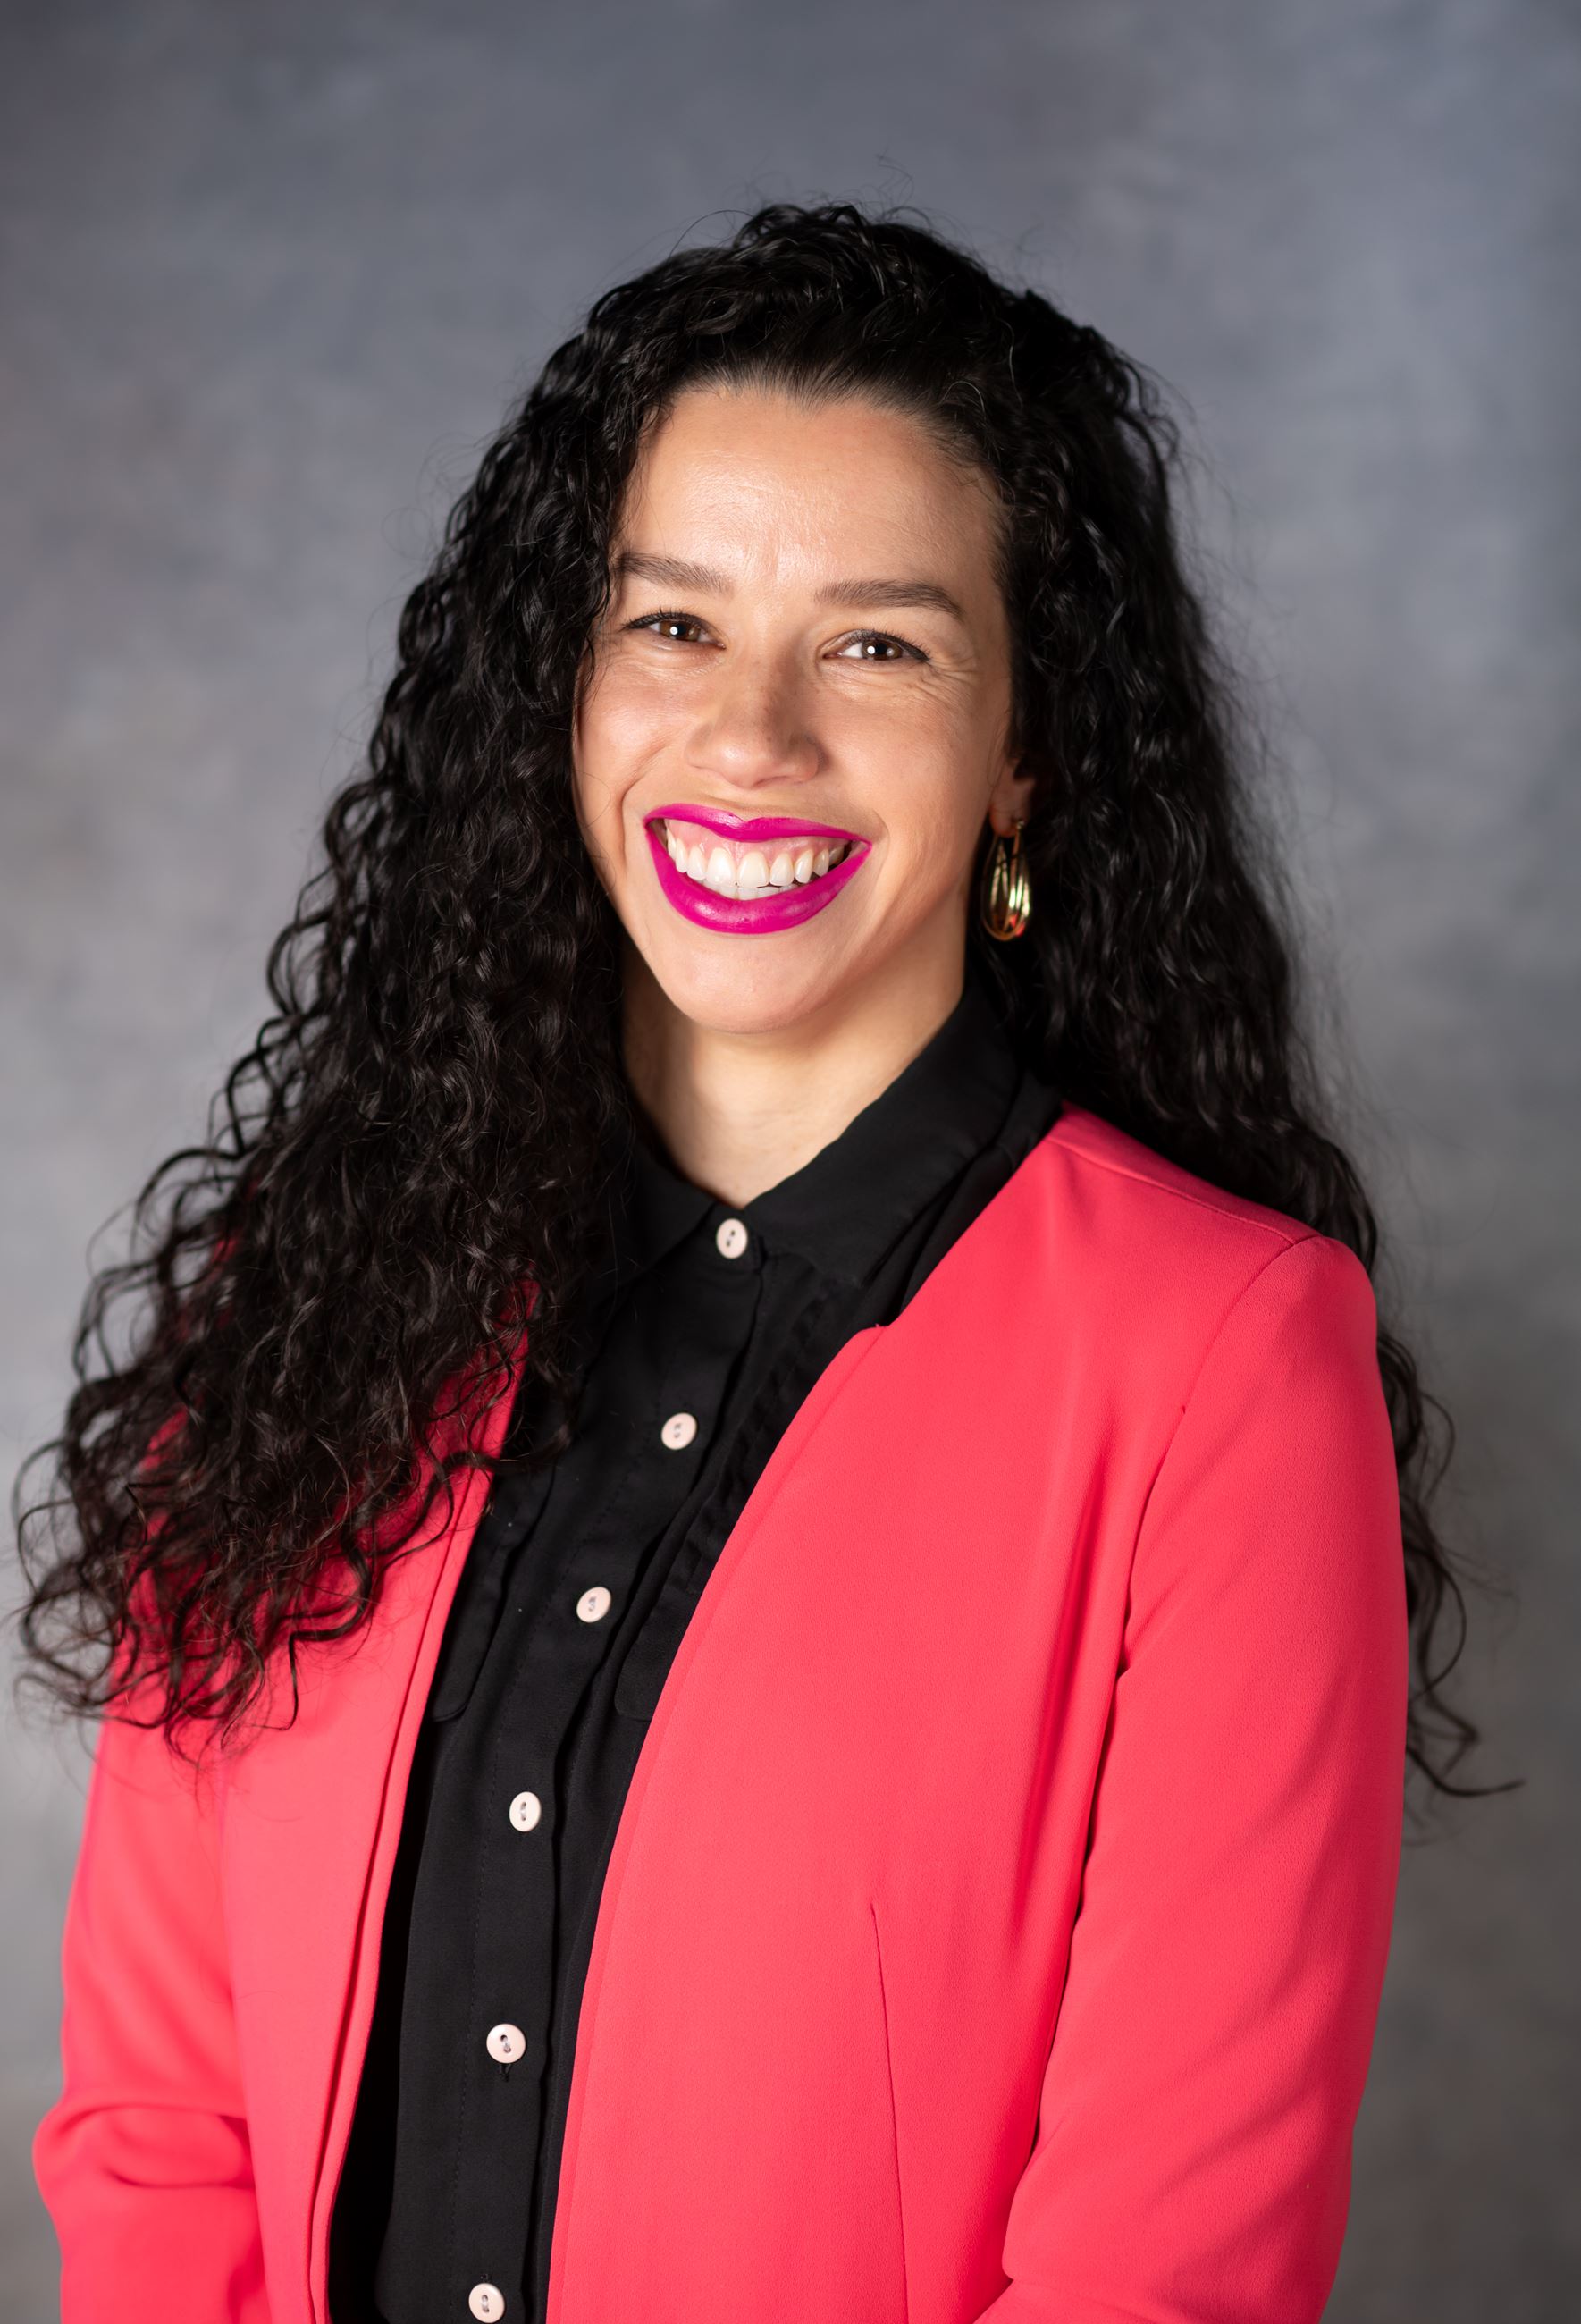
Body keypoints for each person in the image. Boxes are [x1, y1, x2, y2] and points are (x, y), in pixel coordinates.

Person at [18, 200, 1476, 2324]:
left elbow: (1164, 2267)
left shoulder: (1222, 1362)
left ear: (1024, 755)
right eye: (672, 626)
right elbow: (164, 2130)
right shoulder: (302, 1287)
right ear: (565, 687)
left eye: (880, 643)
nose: (754, 736)